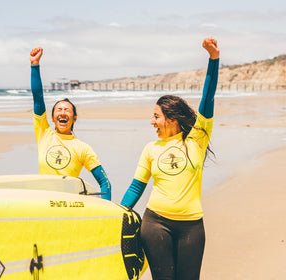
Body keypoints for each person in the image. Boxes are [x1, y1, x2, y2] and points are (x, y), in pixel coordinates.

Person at [120, 37, 220, 280]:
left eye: (156, 116)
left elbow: (208, 98)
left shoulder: (197, 138)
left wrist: (213, 59)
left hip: (191, 227)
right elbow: (136, 187)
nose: (151, 122)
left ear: (172, 118)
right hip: (155, 224)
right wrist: (117, 212)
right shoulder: (150, 148)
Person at [29, 46, 112, 200]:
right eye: (58, 110)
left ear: (74, 118)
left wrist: (106, 209)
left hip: (69, 207)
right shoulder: (44, 134)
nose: (62, 113)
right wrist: (35, 65)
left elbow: (105, 183)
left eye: (67, 110)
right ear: (52, 118)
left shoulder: (83, 149)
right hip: (42, 202)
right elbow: (38, 98)